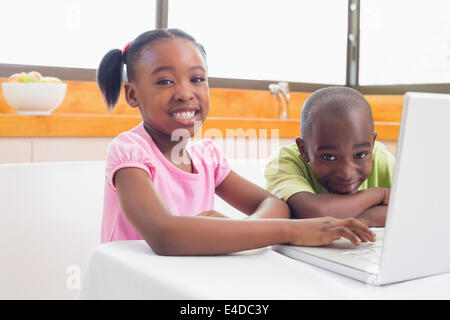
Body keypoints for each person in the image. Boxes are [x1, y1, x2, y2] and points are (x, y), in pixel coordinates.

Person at [97, 29, 375, 256]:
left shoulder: (207, 157)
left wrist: (240, 230)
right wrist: (290, 231)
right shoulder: (130, 151)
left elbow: (274, 204)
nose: (185, 93)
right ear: (132, 95)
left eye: (196, 79)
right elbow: (164, 235)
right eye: (165, 81)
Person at [265, 86, 395, 227]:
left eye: (360, 155)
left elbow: (414, 207)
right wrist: (379, 195)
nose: (347, 173)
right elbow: (315, 212)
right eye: (329, 157)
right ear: (303, 150)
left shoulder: (382, 159)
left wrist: (368, 219)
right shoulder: (284, 162)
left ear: (372, 143)